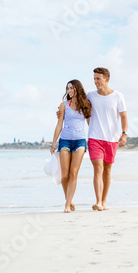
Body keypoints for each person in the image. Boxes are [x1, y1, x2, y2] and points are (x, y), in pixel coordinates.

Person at [87, 67, 128, 211]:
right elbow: (84, 113)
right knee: (98, 168)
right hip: (94, 138)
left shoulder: (118, 96)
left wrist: (124, 134)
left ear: (106, 79)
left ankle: (104, 201)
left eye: (98, 78)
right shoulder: (90, 95)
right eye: (94, 79)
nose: (95, 82)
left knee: (107, 170)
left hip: (111, 138)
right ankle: (98, 202)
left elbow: (123, 116)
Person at [50, 79, 92, 213]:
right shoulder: (63, 105)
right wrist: (53, 143)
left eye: (72, 88)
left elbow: (91, 124)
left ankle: (67, 205)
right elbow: (59, 125)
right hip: (65, 141)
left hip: (80, 141)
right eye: (68, 88)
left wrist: (93, 141)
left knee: (74, 173)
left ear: (77, 89)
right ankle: (69, 199)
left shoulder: (85, 104)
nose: (70, 91)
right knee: (64, 176)